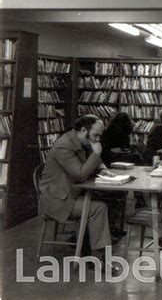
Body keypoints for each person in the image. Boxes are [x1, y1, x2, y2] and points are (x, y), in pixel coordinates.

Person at [39, 115, 117, 269]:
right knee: (98, 208)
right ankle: (98, 258)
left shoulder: (79, 140)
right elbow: (80, 174)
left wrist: (103, 168)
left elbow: (92, 160)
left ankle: (85, 245)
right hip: (57, 200)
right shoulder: (64, 146)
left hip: (69, 193)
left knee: (109, 200)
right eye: (96, 135)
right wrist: (96, 154)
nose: (97, 140)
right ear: (83, 130)